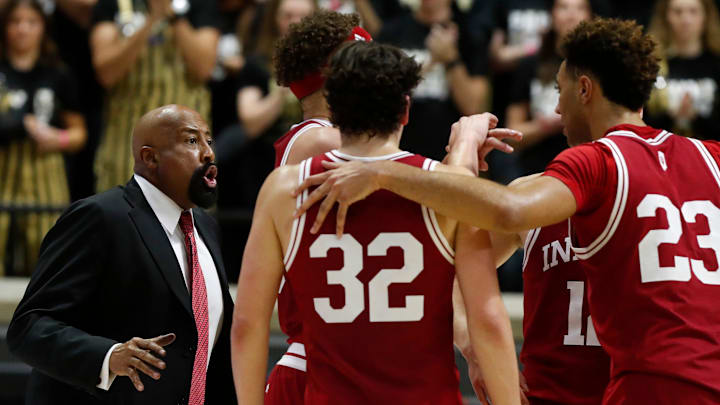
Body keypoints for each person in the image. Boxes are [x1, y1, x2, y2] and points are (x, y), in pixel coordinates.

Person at [295, 18, 720, 403]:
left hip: (649, 384)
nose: (556, 108)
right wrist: (471, 344)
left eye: (560, 90)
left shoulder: (593, 163)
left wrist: (386, 172)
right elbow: (457, 279)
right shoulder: (710, 158)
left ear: (585, 90)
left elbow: (508, 210)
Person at [231, 41, 521, 405]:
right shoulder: (450, 191)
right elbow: (489, 320)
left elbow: (246, 326)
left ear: (333, 109)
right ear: (405, 111)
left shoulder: (284, 188)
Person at [7, 105, 236, 405]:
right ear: (149, 157)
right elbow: (29, 327)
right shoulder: (100, 217)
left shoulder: (205, 226)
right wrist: (109, 357)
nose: (208, 153)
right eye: (192, 141)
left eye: (209, 141)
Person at [90, 0, 220, 192]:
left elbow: (204, 68)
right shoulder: (112, 4)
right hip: (125, 139)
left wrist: (174, 17)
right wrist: (152, 19)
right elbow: (106, 72)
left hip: (186, 139)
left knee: (188, 214)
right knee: (123, 213)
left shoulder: (200, 5)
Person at [0, 0, 87, 276]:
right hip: (2, 167)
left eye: (31, 22)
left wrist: (57, 139)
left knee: (45, 253)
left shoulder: (57, 73)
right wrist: (19, 123)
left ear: (43, 28)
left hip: (44, 170)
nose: (22, 29)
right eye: (15, 22)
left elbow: (79, 133)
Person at [376, 0, 490, 161]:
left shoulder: (470, 32)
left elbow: (473, 107)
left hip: (447, 150)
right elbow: (380, 99)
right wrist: (432, 62)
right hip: (397, 148)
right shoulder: (392, 31)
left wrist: (451, 59)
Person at [506, 0, 591, 175]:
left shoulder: (598, 68)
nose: (571, 15)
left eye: (580, 8)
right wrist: (547, 125)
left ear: (590, 16)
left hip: (585, 166)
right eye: (563, 7)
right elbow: (512, 135)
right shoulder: (529, 65)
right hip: (535, 168)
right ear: (551, 14)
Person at [646, 0, 720, 140]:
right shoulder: (653, 64)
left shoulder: (716, 64)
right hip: (663, 151)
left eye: (693, 11)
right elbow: (641, 122)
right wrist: (672, 116)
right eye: (678, 12)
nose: (686, 20)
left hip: (711, 152)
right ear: (666, 16)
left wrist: (695, 118)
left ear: (705, 16)